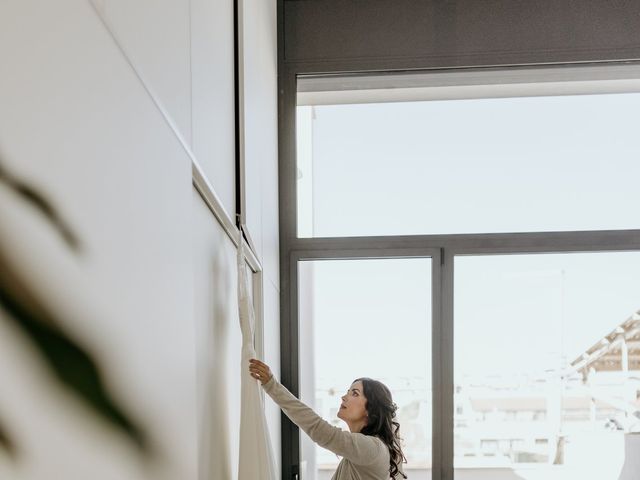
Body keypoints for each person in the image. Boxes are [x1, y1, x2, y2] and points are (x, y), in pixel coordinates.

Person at [249, 359, 407, 479]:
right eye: (348, 391)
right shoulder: (361, 452)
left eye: (355, 393)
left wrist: (271, 385)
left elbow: (318, 428)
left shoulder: (372, 448)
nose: (344, 397)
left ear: (370, 410)